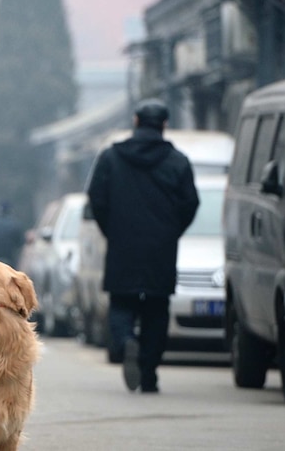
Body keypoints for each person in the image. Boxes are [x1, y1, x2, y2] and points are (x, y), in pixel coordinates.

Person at [87, 98, 199, 394]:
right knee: (156, 310)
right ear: (164, 126)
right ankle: (149, 374)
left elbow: (96, 198)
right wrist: (172, 231)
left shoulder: (111, 157)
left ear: (135, 122)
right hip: (160, 250)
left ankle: (125, 342)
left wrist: (112, 229)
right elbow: (190, 203)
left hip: (122, 245)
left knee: (122, 304)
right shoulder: (178, 161)